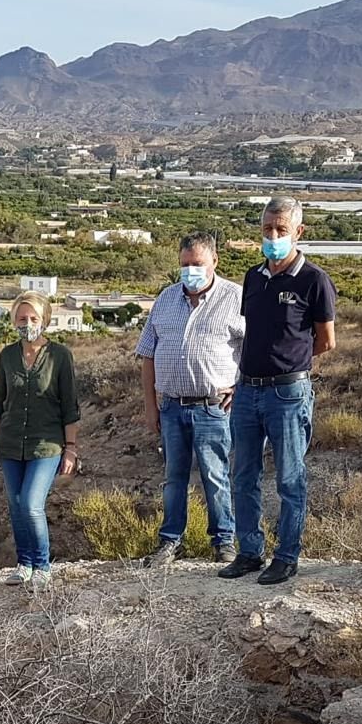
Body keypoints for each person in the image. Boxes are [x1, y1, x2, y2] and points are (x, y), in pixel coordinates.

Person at [222, 196, 337, 586]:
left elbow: (325, 341)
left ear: (298, 232)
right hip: (247, 391)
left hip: (288, 394)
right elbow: (254, 333)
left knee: (289, 477)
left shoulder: (314, 280)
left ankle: (286, 557)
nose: (273, 237)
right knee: (243, 475)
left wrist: (290, 363)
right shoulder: (253, 277)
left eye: (281, 230)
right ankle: (249, 552)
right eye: (267, 229)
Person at [135, 231, 245, 567]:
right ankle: (170, 542)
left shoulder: (236, 298)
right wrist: (150, 406)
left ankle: (224, 542)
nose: (190, 271)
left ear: (215, 261)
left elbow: (255, 348)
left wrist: (240, 387)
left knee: (215, 476)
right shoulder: (166, 299)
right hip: (171, 406)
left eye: (197, 264)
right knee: (174, 479)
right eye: (184, 264)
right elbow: (147, 354)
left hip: (213, 407)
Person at [0, 290, 79, 589]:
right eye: (22, 318)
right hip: (10, 443)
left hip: (46, 444)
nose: (28, 324)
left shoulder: (60, 356)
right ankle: (24, 564)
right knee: (16, 506)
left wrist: (71, 449)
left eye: (34, 318)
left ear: (45, 320)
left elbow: (70, 406)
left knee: (31, 504)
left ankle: (42, 566)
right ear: (14, 321)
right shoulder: (7, 355)